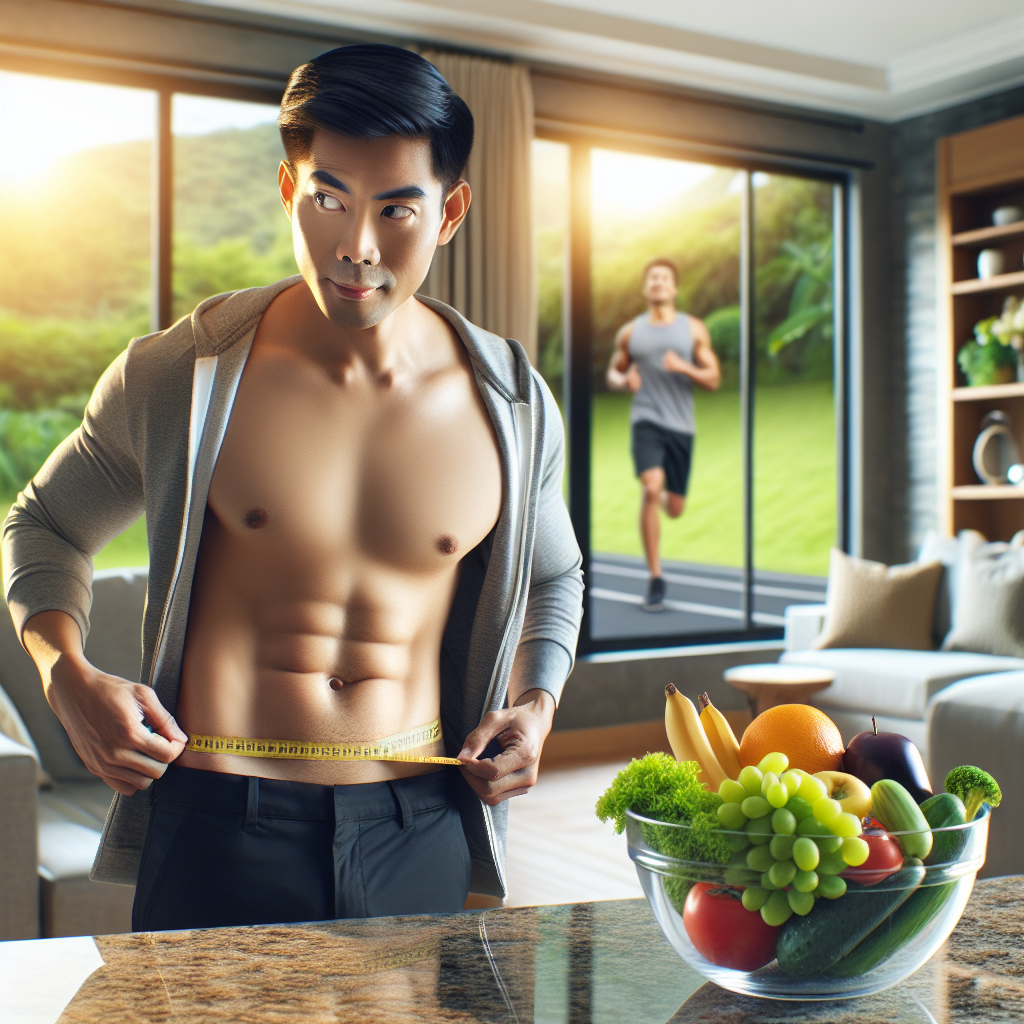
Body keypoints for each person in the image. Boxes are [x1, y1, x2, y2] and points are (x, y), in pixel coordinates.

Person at [3, 44, 583, 930]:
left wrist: (537, 706)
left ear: (451, 212)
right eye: (328, 199)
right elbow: (45, 523)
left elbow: (554, 577)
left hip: (418, 819)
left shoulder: (512, 401)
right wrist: (65, 673)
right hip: (216, 820)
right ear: (288, 191)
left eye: (397, 210)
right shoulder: (179, 374)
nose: (356, 248)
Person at [606, 258, 720, 612]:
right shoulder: (630, 333)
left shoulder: (693, 329)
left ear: (674, 288)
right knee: (651, 487)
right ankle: (656, 577)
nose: (658, 282)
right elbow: (613, 371)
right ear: (646, 288)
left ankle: (666, 496)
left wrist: (684, 366)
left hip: (681, 427)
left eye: (664, 278)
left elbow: (713, 378)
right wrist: (625, 381)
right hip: (647, 421)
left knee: (675, 507)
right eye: (652, 277)